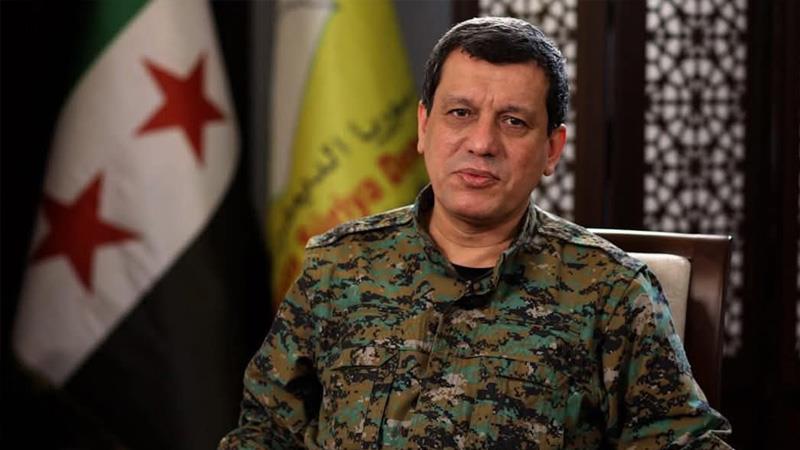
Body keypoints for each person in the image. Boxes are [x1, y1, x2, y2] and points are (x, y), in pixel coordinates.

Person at [219, 17, 732, 449]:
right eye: (460, 113)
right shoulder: (338, 267)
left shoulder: (612, 291)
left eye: (513, 122)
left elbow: (685, 442)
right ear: (424, 127)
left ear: (552, 149)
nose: (482, 142)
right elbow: (265, 430)